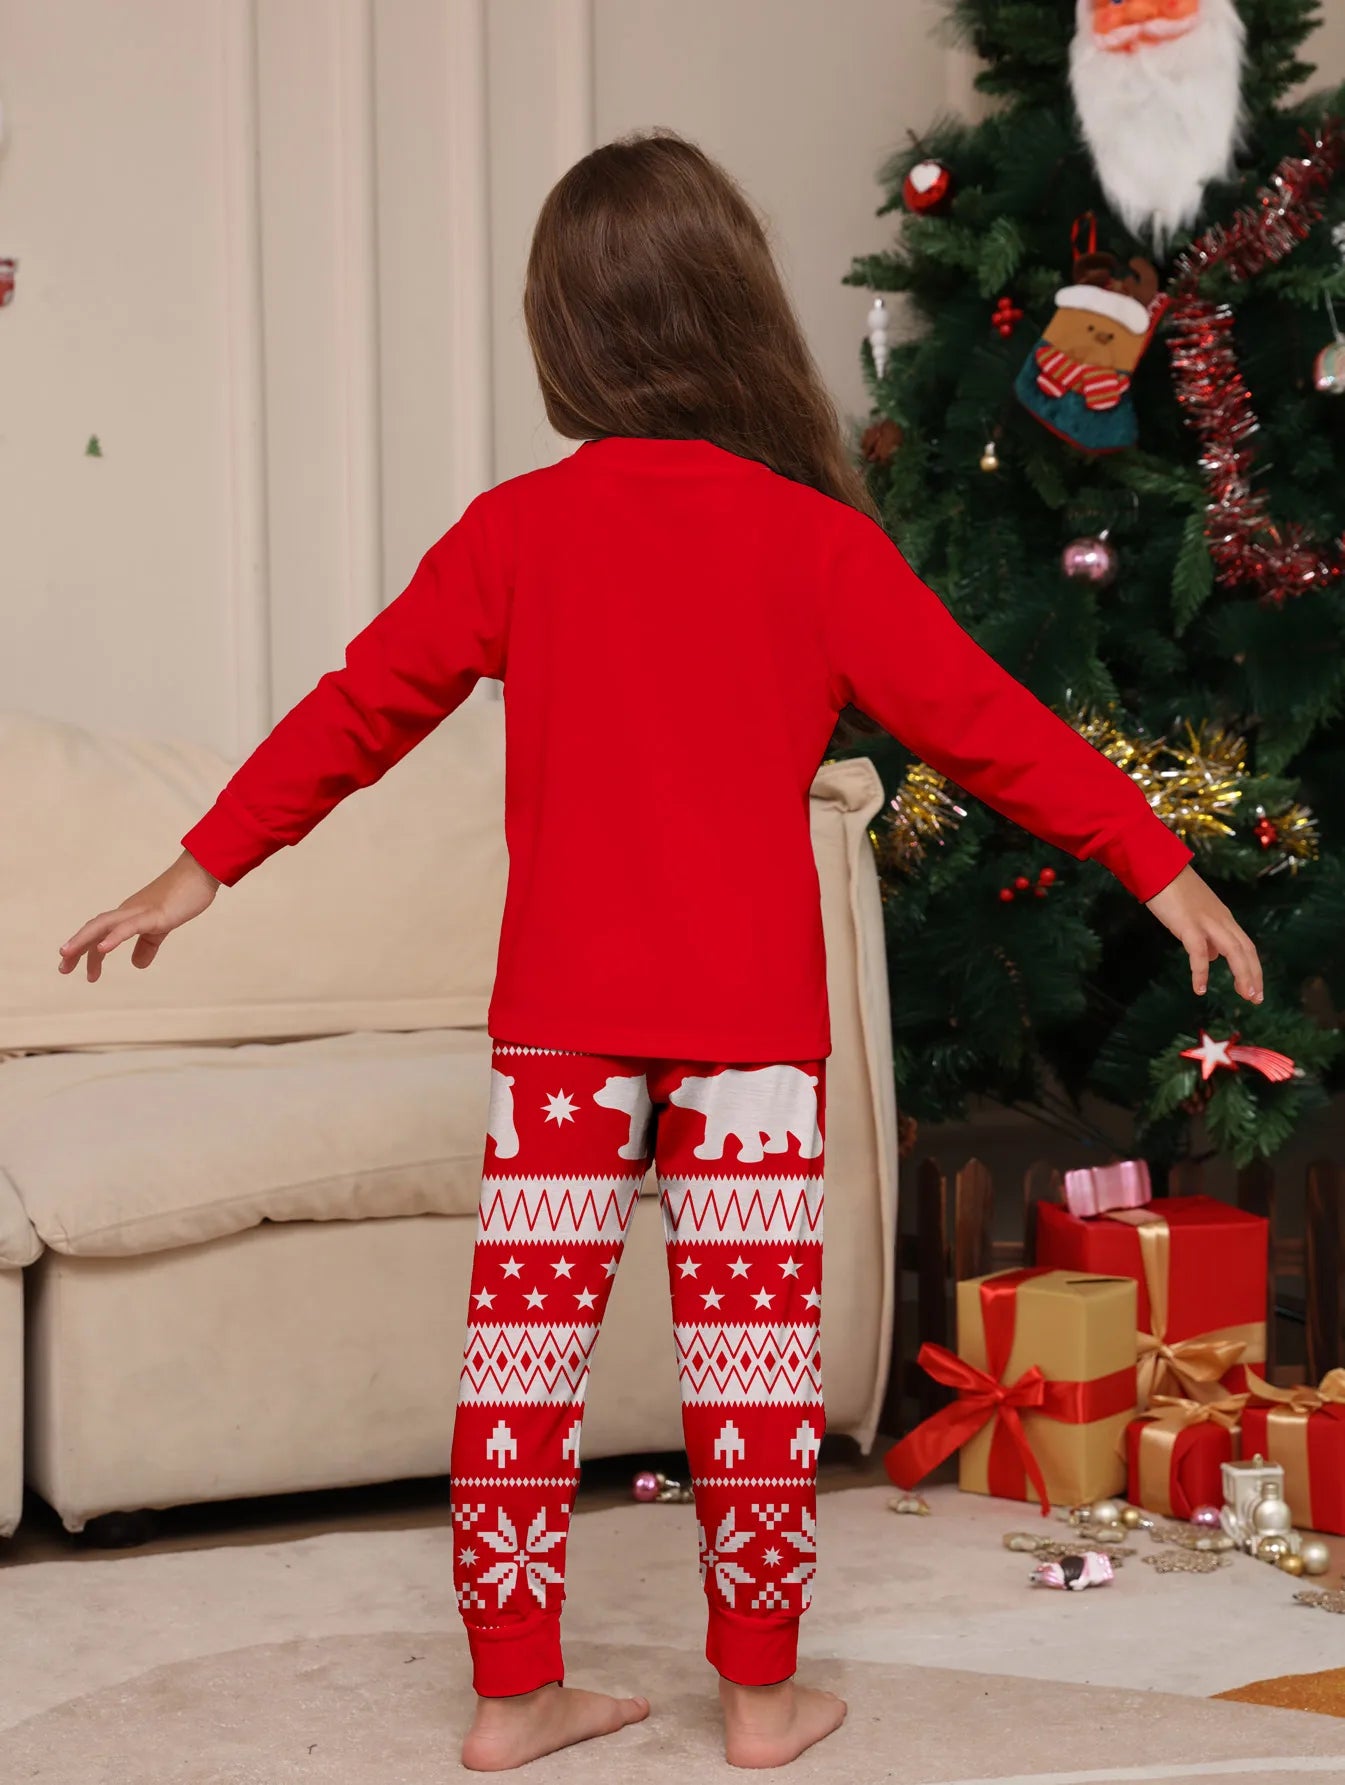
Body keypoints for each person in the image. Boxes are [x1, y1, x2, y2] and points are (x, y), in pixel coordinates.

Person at [58, 128, 1263, 1773]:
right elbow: (987, 726)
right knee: (753, 1363)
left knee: (522, 1353)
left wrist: (200, 867)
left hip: (562, 1028)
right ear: (734, 309)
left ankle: (509, 1696)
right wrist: (1154, 861)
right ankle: (762, 1699)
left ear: (566, 329)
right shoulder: (810, 542)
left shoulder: (515, 532)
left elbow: (357, 711)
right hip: (753, 1027)